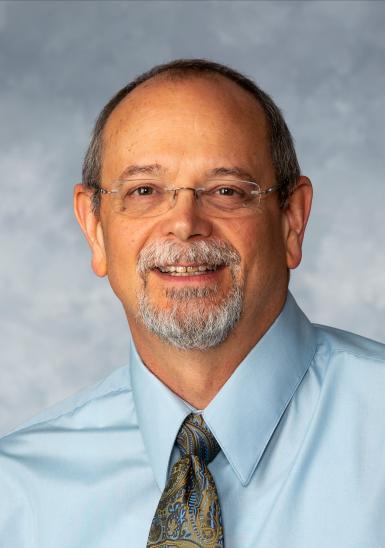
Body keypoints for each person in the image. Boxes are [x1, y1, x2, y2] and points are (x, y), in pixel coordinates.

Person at [1, 59, 384, 548]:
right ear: (94, 228)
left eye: (226, 190)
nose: (184, 223)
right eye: (144, 191)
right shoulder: (15, 494)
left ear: (292, 219)